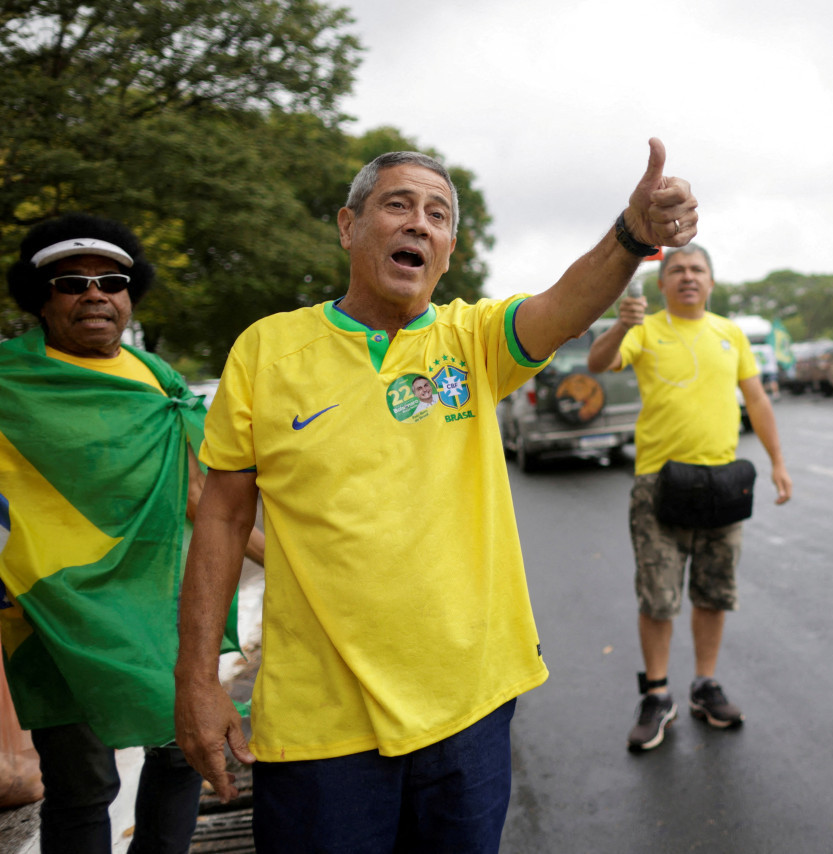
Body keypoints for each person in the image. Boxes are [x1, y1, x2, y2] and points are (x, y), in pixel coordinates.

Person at [175, 139, 697, 852]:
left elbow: (563, 307)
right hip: (319, 721)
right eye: (398, 204)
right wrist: (198, 679)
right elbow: (223, 516)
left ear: (449, 249)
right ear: (347, 226)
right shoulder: (267, 351)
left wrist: (633, 234)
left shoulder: (472, 342)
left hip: (468, 712)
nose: (419, 223)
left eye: (438, 214)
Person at [0, 213, 265, 853]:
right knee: (83, 786)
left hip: (160, 606)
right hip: (57, 616)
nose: (95, 293)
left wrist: (303, 567)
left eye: (111, 280)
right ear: (42, 298)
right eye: (72, 282)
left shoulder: (161, 382)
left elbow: (205, 498)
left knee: (184, 751)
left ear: (129, 294)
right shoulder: (6, 381)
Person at [586, 244, 792, 752]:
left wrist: (778, 462)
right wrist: (619, 323)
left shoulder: (730, 333)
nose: (687, 277)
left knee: (713, 590)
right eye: (676, 270)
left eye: (697, 269)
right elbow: (599, 362)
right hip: (659, 483)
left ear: (712, 282)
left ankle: (704, 685)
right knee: (658, 596)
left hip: (723, 482)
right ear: (662, 283)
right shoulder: (644, 329)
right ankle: (657, 695)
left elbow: (758, 399)